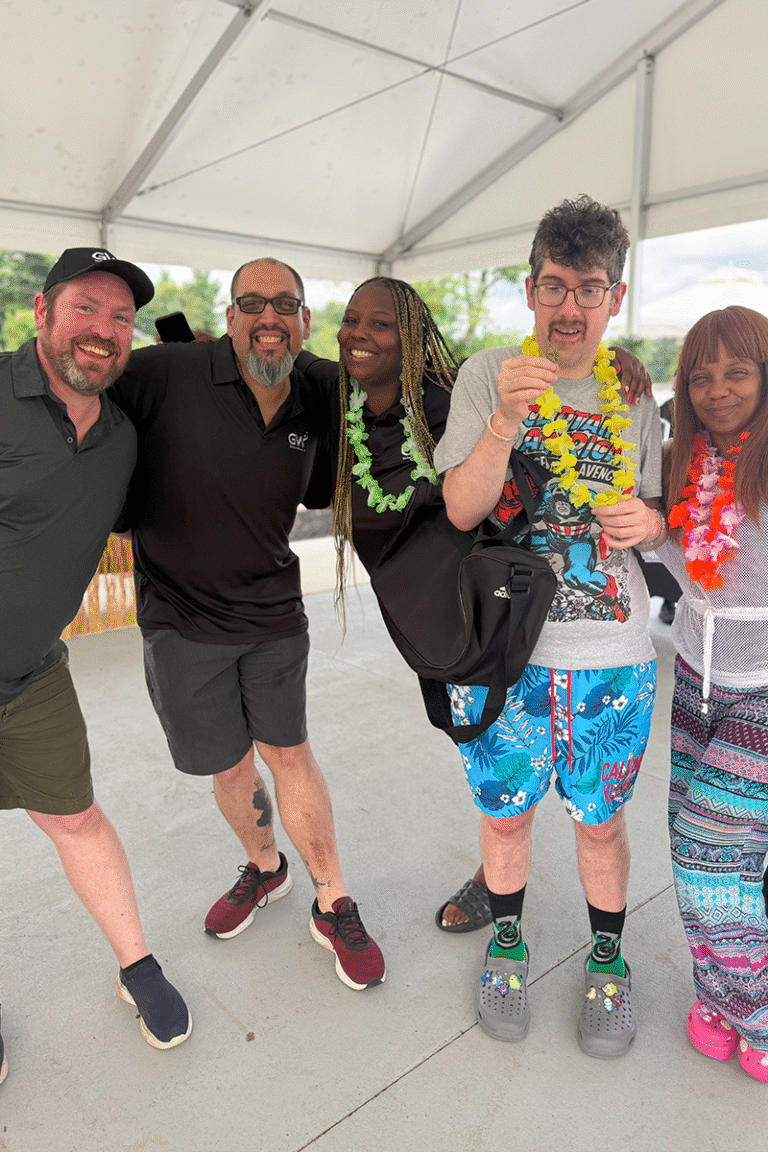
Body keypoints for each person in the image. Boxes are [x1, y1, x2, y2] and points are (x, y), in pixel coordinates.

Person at [317, 275, 652, 935]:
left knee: (525, 804)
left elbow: (523, 404)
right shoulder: (333, 398)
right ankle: (497, 876)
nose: (361, 334)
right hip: (417, 599)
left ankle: (489, 881)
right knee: (499, 793)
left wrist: (608, 360)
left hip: (487, 607)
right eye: (352, 319)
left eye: (382, 324)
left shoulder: (449, 398)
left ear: (413, 339)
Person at [110, 258, 385, 992]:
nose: (270, 316)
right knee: (230, 765)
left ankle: (333, 901)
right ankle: (265, 868)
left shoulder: (318, 392)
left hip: (272, 612)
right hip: (180, 619)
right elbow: (76, 378)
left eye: (285, 304)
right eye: (253, 303)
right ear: (229, 315)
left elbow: (395, 389)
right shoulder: (167, 372)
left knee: (289, 753)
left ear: (304, 319)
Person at [433, 195, 664, 1057]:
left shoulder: (631, 392)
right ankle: (506, 946)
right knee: (505, 817)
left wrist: (655, 524)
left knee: (600, 823)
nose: (571, 306)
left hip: (614, 654)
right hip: (504, 655)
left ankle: (608, 959)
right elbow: (461, 510)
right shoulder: (488, 373)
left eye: (590, 289)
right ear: (530, 291)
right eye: (555, 286)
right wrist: (504, 420)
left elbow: (659, 513)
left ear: (615, 297)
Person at [0, 248, 192, 1080]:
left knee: (76, 818)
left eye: (120, 318)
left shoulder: (119, 438)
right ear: (42, 312)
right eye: (86, 307)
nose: (103, 329)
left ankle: (136, 965)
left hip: (33, 673)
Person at [651, 305, 768, 1082]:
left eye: (738, 371)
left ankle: (757, 1009)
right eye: (701, 376)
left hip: (763, 691)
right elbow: (683, 557)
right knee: (703, 849)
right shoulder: (680, 462)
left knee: (708, 854)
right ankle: (714, 999)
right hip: (694, 679)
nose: (718, 389)